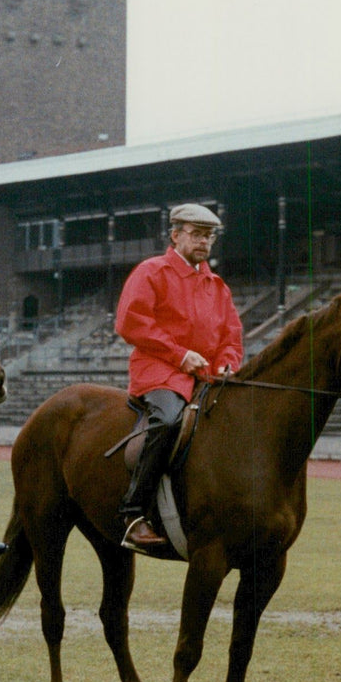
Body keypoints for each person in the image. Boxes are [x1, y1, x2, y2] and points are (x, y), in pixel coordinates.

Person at [115, 202, 244, 551]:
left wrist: (227, 364)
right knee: (169, 420)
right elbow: (130, 323)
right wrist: (179, 355)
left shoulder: (218, 286)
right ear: (175, 235)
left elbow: (232, 337)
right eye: (196, 234)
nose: (203, 241)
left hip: (205, 377)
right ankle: (134, 515)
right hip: (159, 371)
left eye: (209, 236)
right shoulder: (151, 271)